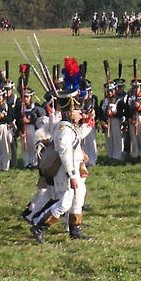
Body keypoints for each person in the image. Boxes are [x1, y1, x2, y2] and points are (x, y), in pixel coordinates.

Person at [30, 89, 94, 243]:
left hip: (74, 170)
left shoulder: (68, 127)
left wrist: (89, 123)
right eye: (78, 111)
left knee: (77, 200)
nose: (81, 113)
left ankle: (75, 231)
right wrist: (72, 175)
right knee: (64, 203)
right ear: (70, 112)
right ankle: (39, 227)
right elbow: (65, 154)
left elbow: (77, 136)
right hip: (66, 172)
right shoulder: (64, 130)